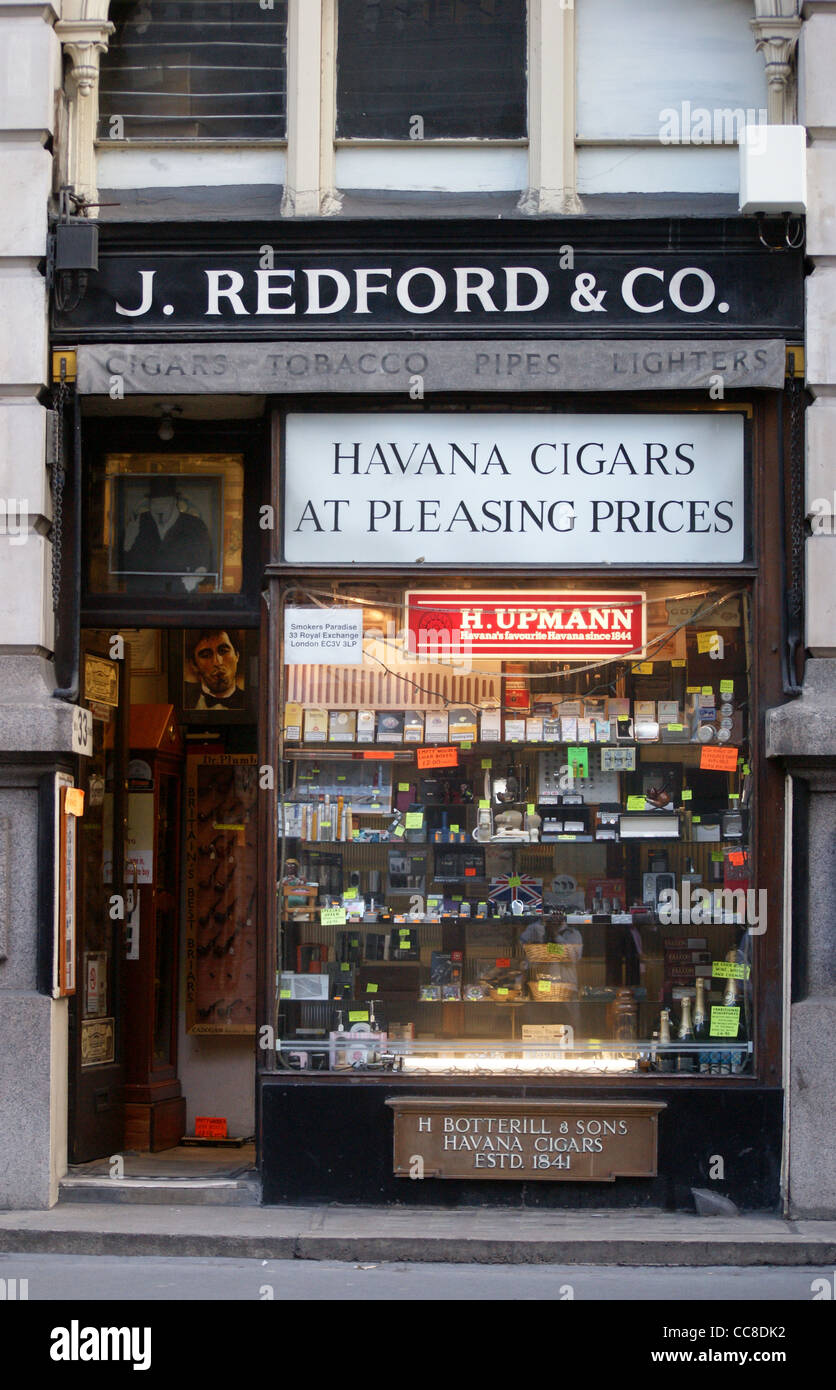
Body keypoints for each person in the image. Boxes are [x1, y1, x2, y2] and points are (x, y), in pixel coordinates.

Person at [121, 476, 215, 593]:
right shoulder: (138, 523)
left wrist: (195, 578)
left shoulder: (194, 525)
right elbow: (125, 565)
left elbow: (203, 562)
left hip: (180, 596)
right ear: (149, 503)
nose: (159, 508)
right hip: (143, 597)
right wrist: (128, 543)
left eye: (164, 503)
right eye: (155, 503)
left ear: (174, 502)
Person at [184, 630, 245, 710]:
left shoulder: (251, 701)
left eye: (224, 651)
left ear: (237, 655)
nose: (217, 662)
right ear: (194, 665)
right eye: (206, 655)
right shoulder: (185, 696)